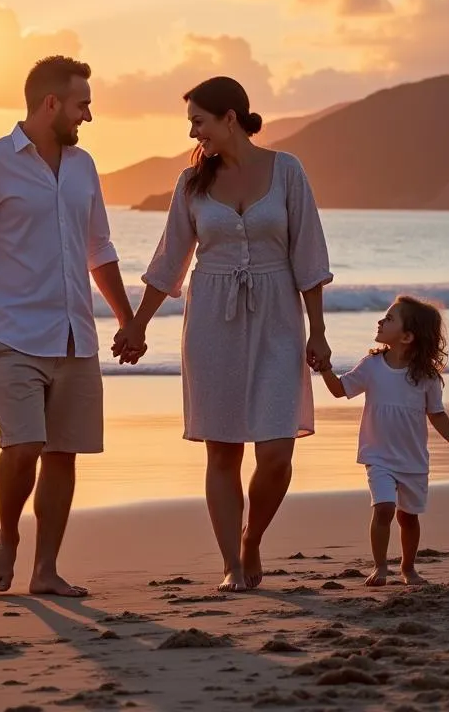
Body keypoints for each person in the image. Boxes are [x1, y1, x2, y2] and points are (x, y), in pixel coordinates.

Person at [114, 76, 333, 592]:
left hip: (278, 315)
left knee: (278, 451)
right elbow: (169, 260)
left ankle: (251, 537)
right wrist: (137, 324)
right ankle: (232, 564)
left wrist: (318, 331)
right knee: (223, 450)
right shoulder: (191, 184)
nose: (194, 133)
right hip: (212, 318)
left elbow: (309, 255)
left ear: (230, 118)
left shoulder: (287, 171)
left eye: (199, 121)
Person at [0, 56, 138, 597]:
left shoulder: (83, 166)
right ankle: (7, 537)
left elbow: (100, 248)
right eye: (82, 104)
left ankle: (46, 571)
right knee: (23, 445)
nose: (88, 116)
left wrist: (127, 318)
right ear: (52, 104)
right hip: (12, 333)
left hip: (75, 334)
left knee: (62, 454)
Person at [316, 296, 449, 586]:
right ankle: (379, 567)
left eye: (389, 318)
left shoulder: (426, 377)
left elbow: (437, 415)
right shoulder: (372, 365)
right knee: (384, 508)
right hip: (377, 455)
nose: (381, 320)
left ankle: (408, 567)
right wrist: (325, 369)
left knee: (408, 517)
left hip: (412, 459)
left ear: (407, 336)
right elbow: (341, 389)